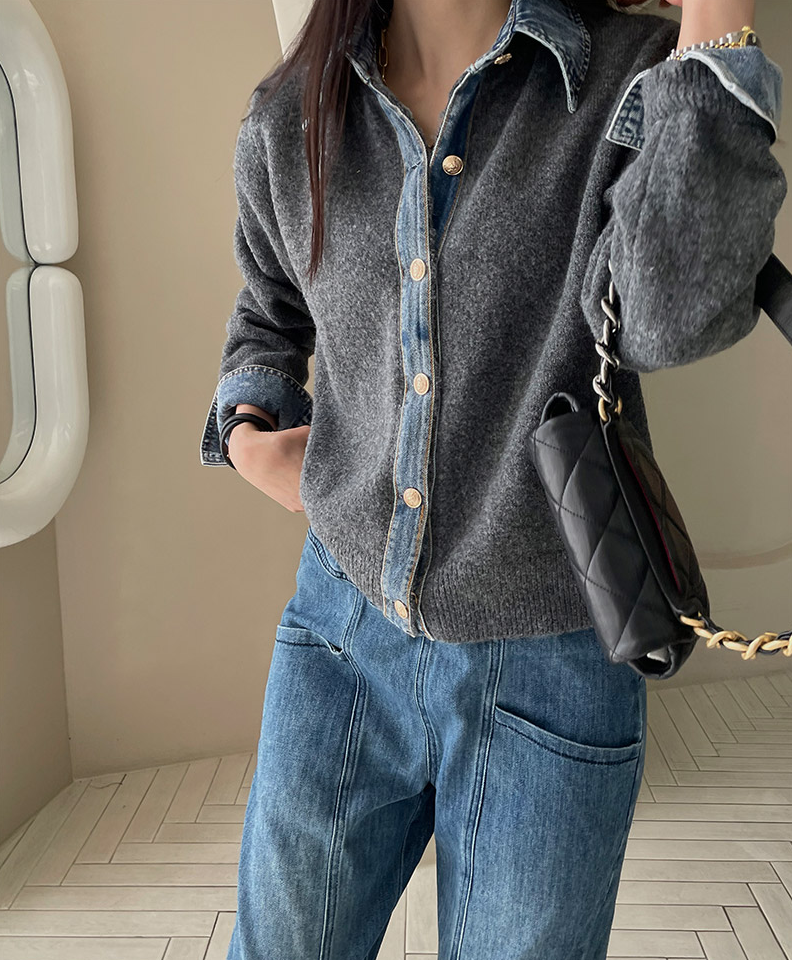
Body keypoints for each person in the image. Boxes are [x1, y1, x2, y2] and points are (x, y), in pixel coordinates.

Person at [199, 0, 786, 956]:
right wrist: (249, 426)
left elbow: (673, 315)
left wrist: (717, 24)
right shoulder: (291, 113)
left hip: (551, 660)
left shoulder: (636, 79)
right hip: (339, 633)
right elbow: (269, 307)